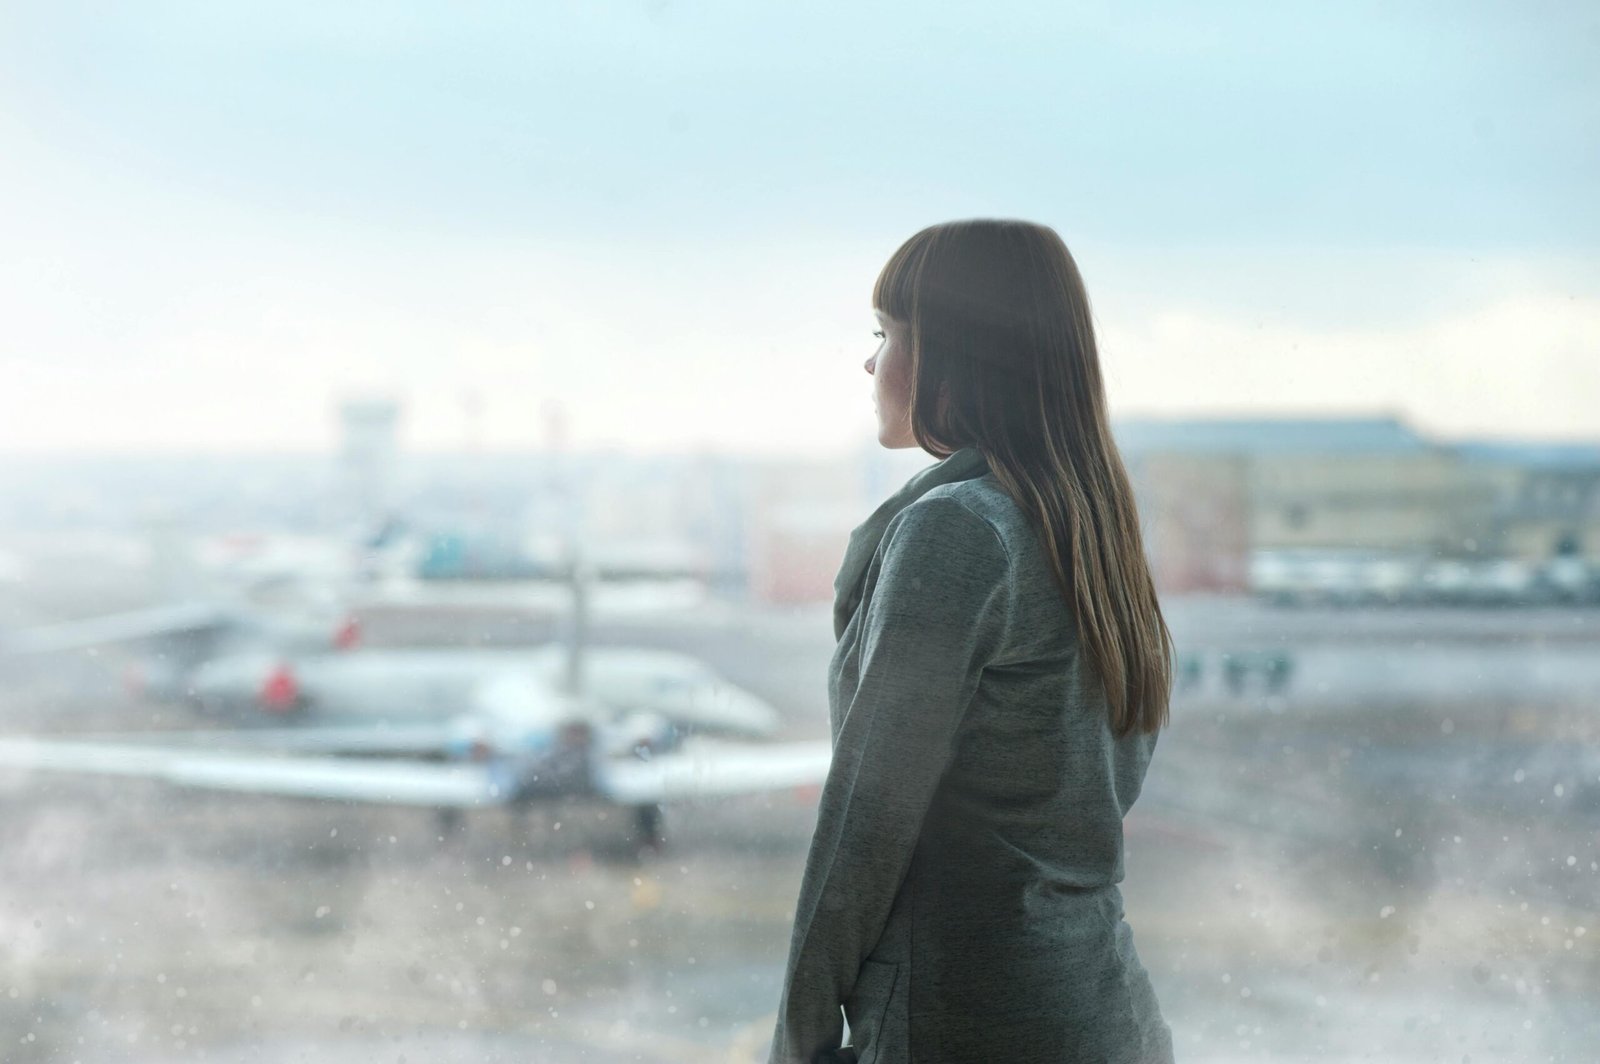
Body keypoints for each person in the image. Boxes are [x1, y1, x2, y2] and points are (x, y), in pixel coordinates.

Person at [767, 219, 1177, 1064]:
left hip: (965, 1017)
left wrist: (799, 1041)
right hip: (1105, 1012)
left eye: (887, 336)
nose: (870, 363)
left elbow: (865, 823)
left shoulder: (957, 531)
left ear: (953, 355)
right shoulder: (1087, 527)